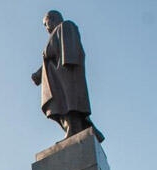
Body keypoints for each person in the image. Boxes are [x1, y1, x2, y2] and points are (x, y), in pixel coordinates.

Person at [31, 10, 103, 141]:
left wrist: (68, 69)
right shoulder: (58, 32)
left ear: (52, 19)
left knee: (69, 104)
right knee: (62, 106)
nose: (46, 27)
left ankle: (75, 129)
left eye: (45, 23)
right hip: (56, 77)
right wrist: (38, 74)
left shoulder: (65, 27)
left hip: (65, 74)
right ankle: (80, 129)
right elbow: (50, 58)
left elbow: (65, 52)